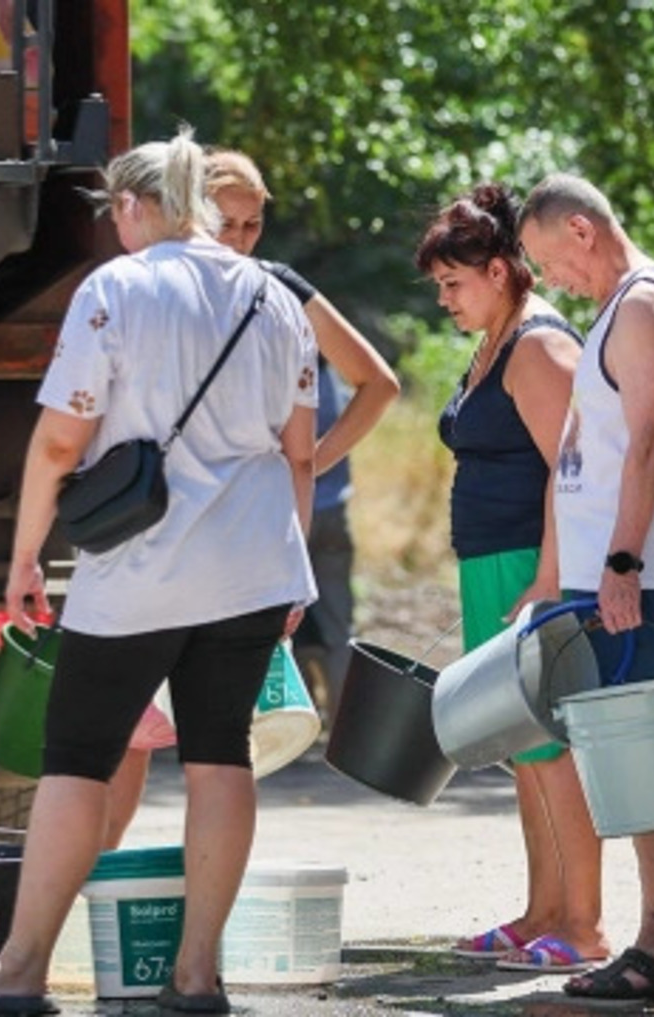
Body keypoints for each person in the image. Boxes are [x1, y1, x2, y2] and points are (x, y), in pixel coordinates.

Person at [0, 127, 319, 1014]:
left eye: (116, 213)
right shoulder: (276, 296)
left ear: (132, 206)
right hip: (254, 564)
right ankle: (197, 976)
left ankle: (18, 971)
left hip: (140, 571)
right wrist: (297, 569)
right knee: (221, 757)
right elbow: (300, 451)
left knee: (77, 761)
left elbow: (62, 440)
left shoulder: (117, 288)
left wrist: (26, 554)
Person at [101, 149, 398, 850]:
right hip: (157, 531)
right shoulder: (154, 282)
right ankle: (99, 870)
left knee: (215, 739)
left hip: (228, 542)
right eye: (225, 222)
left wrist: (309, 461)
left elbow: (378, 384)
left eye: (252, 224)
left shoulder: (273, 289)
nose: (238, 239)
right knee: (133, 727)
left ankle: (190, 902)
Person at [518, 172, 654, 1004]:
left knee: (644, 760)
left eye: (547, 259)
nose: (550, 279)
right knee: (632, 760)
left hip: (638, 573)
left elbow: (652, 439)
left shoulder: (641, 306)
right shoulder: (618, 308)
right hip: (606, 573)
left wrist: (623, 561)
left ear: (581, 230)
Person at [412, 183, 603, 973]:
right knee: (519, 744)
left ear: (499, 270)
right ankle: (542, 910)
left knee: (550, 744)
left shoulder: (538, 344)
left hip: (532, 565)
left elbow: (573, 468)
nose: (445, 300)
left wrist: (549, 578)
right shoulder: (493, 338)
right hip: (492, 564)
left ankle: (584, 925)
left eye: (453, 283)